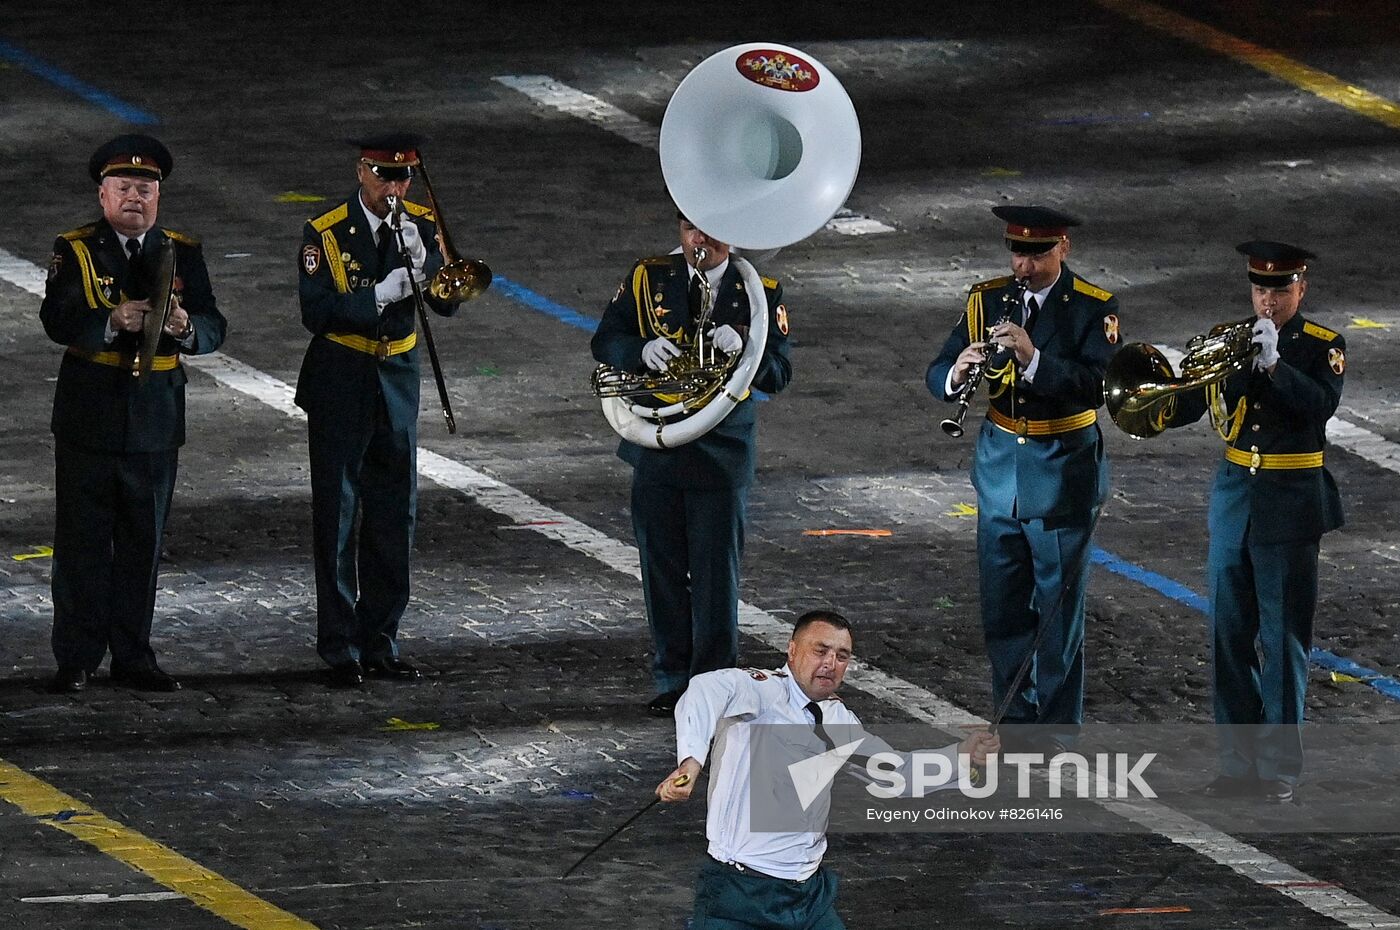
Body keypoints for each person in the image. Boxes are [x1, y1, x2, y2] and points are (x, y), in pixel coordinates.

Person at [657, 610, 998, 929]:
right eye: (820, 651)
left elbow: (896, 774)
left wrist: (961, 755)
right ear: (792, 651)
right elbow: (703, 690)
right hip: (739, 896)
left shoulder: (838, 720)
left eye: (841, 656)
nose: (830, 664)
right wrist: (691, 761)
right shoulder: (760, 691)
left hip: (809, 896)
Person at [925, 206, 1120, 746]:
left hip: (1060, 471)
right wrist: (956, 372)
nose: (1023, 265)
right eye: (1016, 252)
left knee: (1057, 617)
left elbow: (1095, 387)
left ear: (1063, 249)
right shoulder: (988, 299)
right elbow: (937, 367)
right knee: (1003, 606)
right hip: (1000, 474)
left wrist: (1034, 359)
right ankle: (1014, 724)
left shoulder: (1092, 307)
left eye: (1036, 254)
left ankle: (1056, 734)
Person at [39, 134, 227, 693]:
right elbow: (56, 319)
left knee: (143, 543)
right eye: (123, 188)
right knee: (82, 543)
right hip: (90, 413)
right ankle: (76, 657)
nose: (134, 198)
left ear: (158, 197)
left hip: (154, 417)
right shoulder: (75, 249)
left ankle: (132, 655)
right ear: (102, 195)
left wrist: (185, 329)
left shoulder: (181, 251)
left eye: (145, 189)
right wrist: (110, 319)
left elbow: (215, 323)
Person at [1162, 242, 1344, 804]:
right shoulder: (1229, 339)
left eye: (1280, 290)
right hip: (1235, 499)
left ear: (1301, 289)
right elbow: (1189, 407)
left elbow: (1320, 406)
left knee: (1282, 638)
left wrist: (1274, 366)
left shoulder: (1322, 347)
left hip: (1289, 503)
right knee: (1228, 635)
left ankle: (1278, 769)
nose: (1268, 300)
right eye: (1260, 289)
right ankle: (1237, 764)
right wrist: (1161, 387)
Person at [591, 211, 792, 716]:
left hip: (720, 453)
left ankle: (715, 683)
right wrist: (640, 349)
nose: (698, 240)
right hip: (657, 447)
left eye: (710, 229)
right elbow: (604, 340)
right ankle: (673, 677)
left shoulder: (760, 292)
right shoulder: (648, 276)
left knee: (714, 577)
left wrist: (749, 343)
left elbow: (778, 375)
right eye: (688, 228)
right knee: (659, 570)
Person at [295, 133, 463, 688]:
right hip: (342, 379)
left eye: (404, 178)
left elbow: (447, 300)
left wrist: (428, 264)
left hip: (396, 380)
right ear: (362, 172)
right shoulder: (324, 232)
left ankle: (381, 639)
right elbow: (317, 311)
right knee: (338, 517)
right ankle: (340, 645)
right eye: (386, 176)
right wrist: (381, 295)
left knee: (396, 516)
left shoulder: (418, 221)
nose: (396, 187)